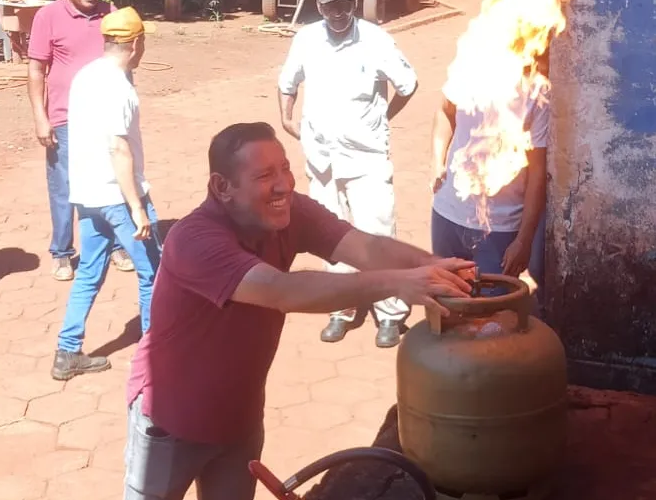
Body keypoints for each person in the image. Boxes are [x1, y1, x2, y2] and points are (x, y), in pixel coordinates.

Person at [123, 121, 474, 500]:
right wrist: (400, 283)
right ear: (222, 187)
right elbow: (283, 291)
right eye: (264, 175)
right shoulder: (193, 241)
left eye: (285, 168)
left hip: (238, 418)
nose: (284, 184)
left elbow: (366, 248)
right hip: (171, 421)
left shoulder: (290, 212)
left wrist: (436, 266)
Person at [278, 0, 419, 348]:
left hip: (366, 154)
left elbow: (408, 84)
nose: (337, 12)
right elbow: (287, 83)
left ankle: (390, 313)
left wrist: (383, 119)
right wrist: (287, 118)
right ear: (319, 5)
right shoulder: (306, 38)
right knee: (331, 235)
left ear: (354, 3)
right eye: (330, 5)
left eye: (344, 4)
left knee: (377, 235)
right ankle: (342, 308)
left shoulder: (375, 40)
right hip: (322, 156)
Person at [52, 7, 161, 381]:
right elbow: (118, 148)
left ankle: (67, 352)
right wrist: (137, 207)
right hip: (117, 193)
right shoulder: (118, 88)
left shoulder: (87, 75)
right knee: (154, 272)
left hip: (87, 193)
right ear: (135, 43)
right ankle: (154, 353)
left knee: (89, 274)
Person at [27, 0, 135, 282]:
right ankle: (62, 252)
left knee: (111, 180)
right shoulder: (48, 16)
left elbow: (126, 62)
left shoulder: (111, 14)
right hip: (65, 117)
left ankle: (114, 244)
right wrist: (40, 118)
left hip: (105, 118)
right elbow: (35, 70)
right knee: (65, 188)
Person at [429, 84, 548, 296]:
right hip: (446, 215)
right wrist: (437, 162)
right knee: (446, 305)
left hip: (499, 228)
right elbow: (445, 112)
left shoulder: (536, 90)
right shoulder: (467, 69)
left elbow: (538, 172)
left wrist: (523, 240)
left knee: (492, 319)